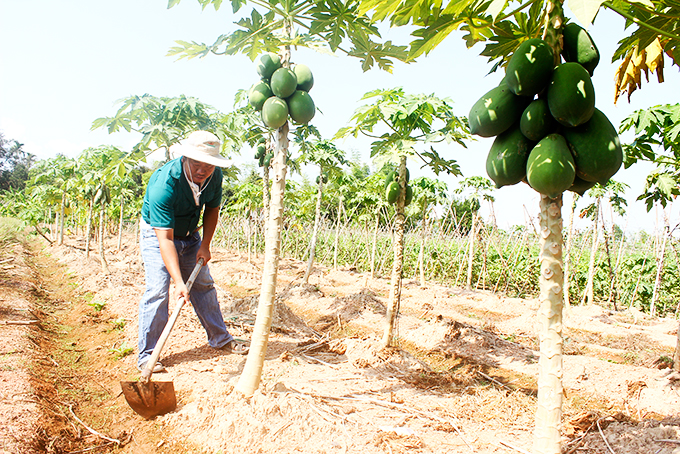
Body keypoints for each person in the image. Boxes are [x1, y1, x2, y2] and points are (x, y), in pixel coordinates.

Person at [137, 130, 248, 373]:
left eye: (208, 165)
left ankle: (221, 338)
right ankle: (147, 356)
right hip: (159, 235)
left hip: (190, 233)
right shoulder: (163, 184)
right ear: (185, 158)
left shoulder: (214, 175)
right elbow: (165, 239)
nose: (202, 169)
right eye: (197, 163)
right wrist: (178, 281)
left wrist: (205, 244)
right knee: (158, 291)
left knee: (203, 285)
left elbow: (212, 209)